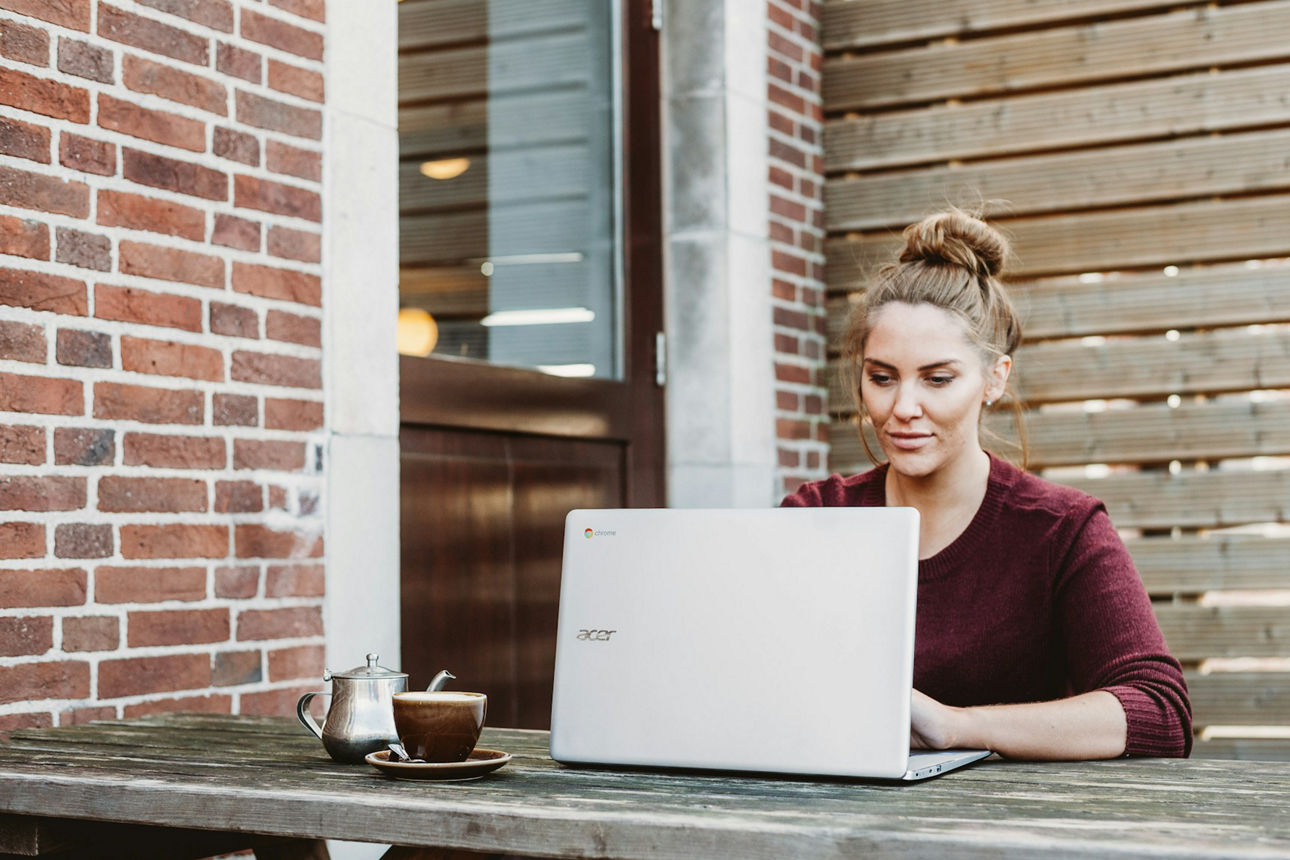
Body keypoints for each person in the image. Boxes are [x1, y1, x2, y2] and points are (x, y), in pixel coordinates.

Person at [782, 208, 1191, 759]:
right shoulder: (815, 515)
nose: (903, 408)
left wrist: (956, 726)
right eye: (881, 378)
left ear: (994, 380)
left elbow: (1160, 713)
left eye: (938, 378)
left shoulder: (1061, 530)